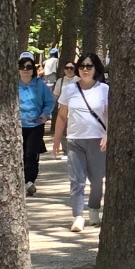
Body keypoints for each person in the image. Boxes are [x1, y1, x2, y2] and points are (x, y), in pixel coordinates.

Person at [52, 52, 109, 233]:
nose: (85, 69)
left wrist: (108, 135)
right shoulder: (69, 89)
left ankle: (93, 209)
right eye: (82, 66)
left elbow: (110, 116)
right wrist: (56, 140)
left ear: (95, 69)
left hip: (97, 140)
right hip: (75, 140)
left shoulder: (104, 89)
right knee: (77, 180)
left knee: (97, 181)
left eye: (89, 66)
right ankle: (77, 216)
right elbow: (62, 116)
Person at [18, 53, 55, 198]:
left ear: (33, 70)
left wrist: (45, 114)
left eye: (28, 67)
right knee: (19, 155)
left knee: (31, 154)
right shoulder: (13, 85)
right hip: (18, 126)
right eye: (22, 67)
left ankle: (29, 182)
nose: (25, 70)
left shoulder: (40, 85)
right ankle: (20, 181)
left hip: (35, 125)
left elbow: (50, 102)